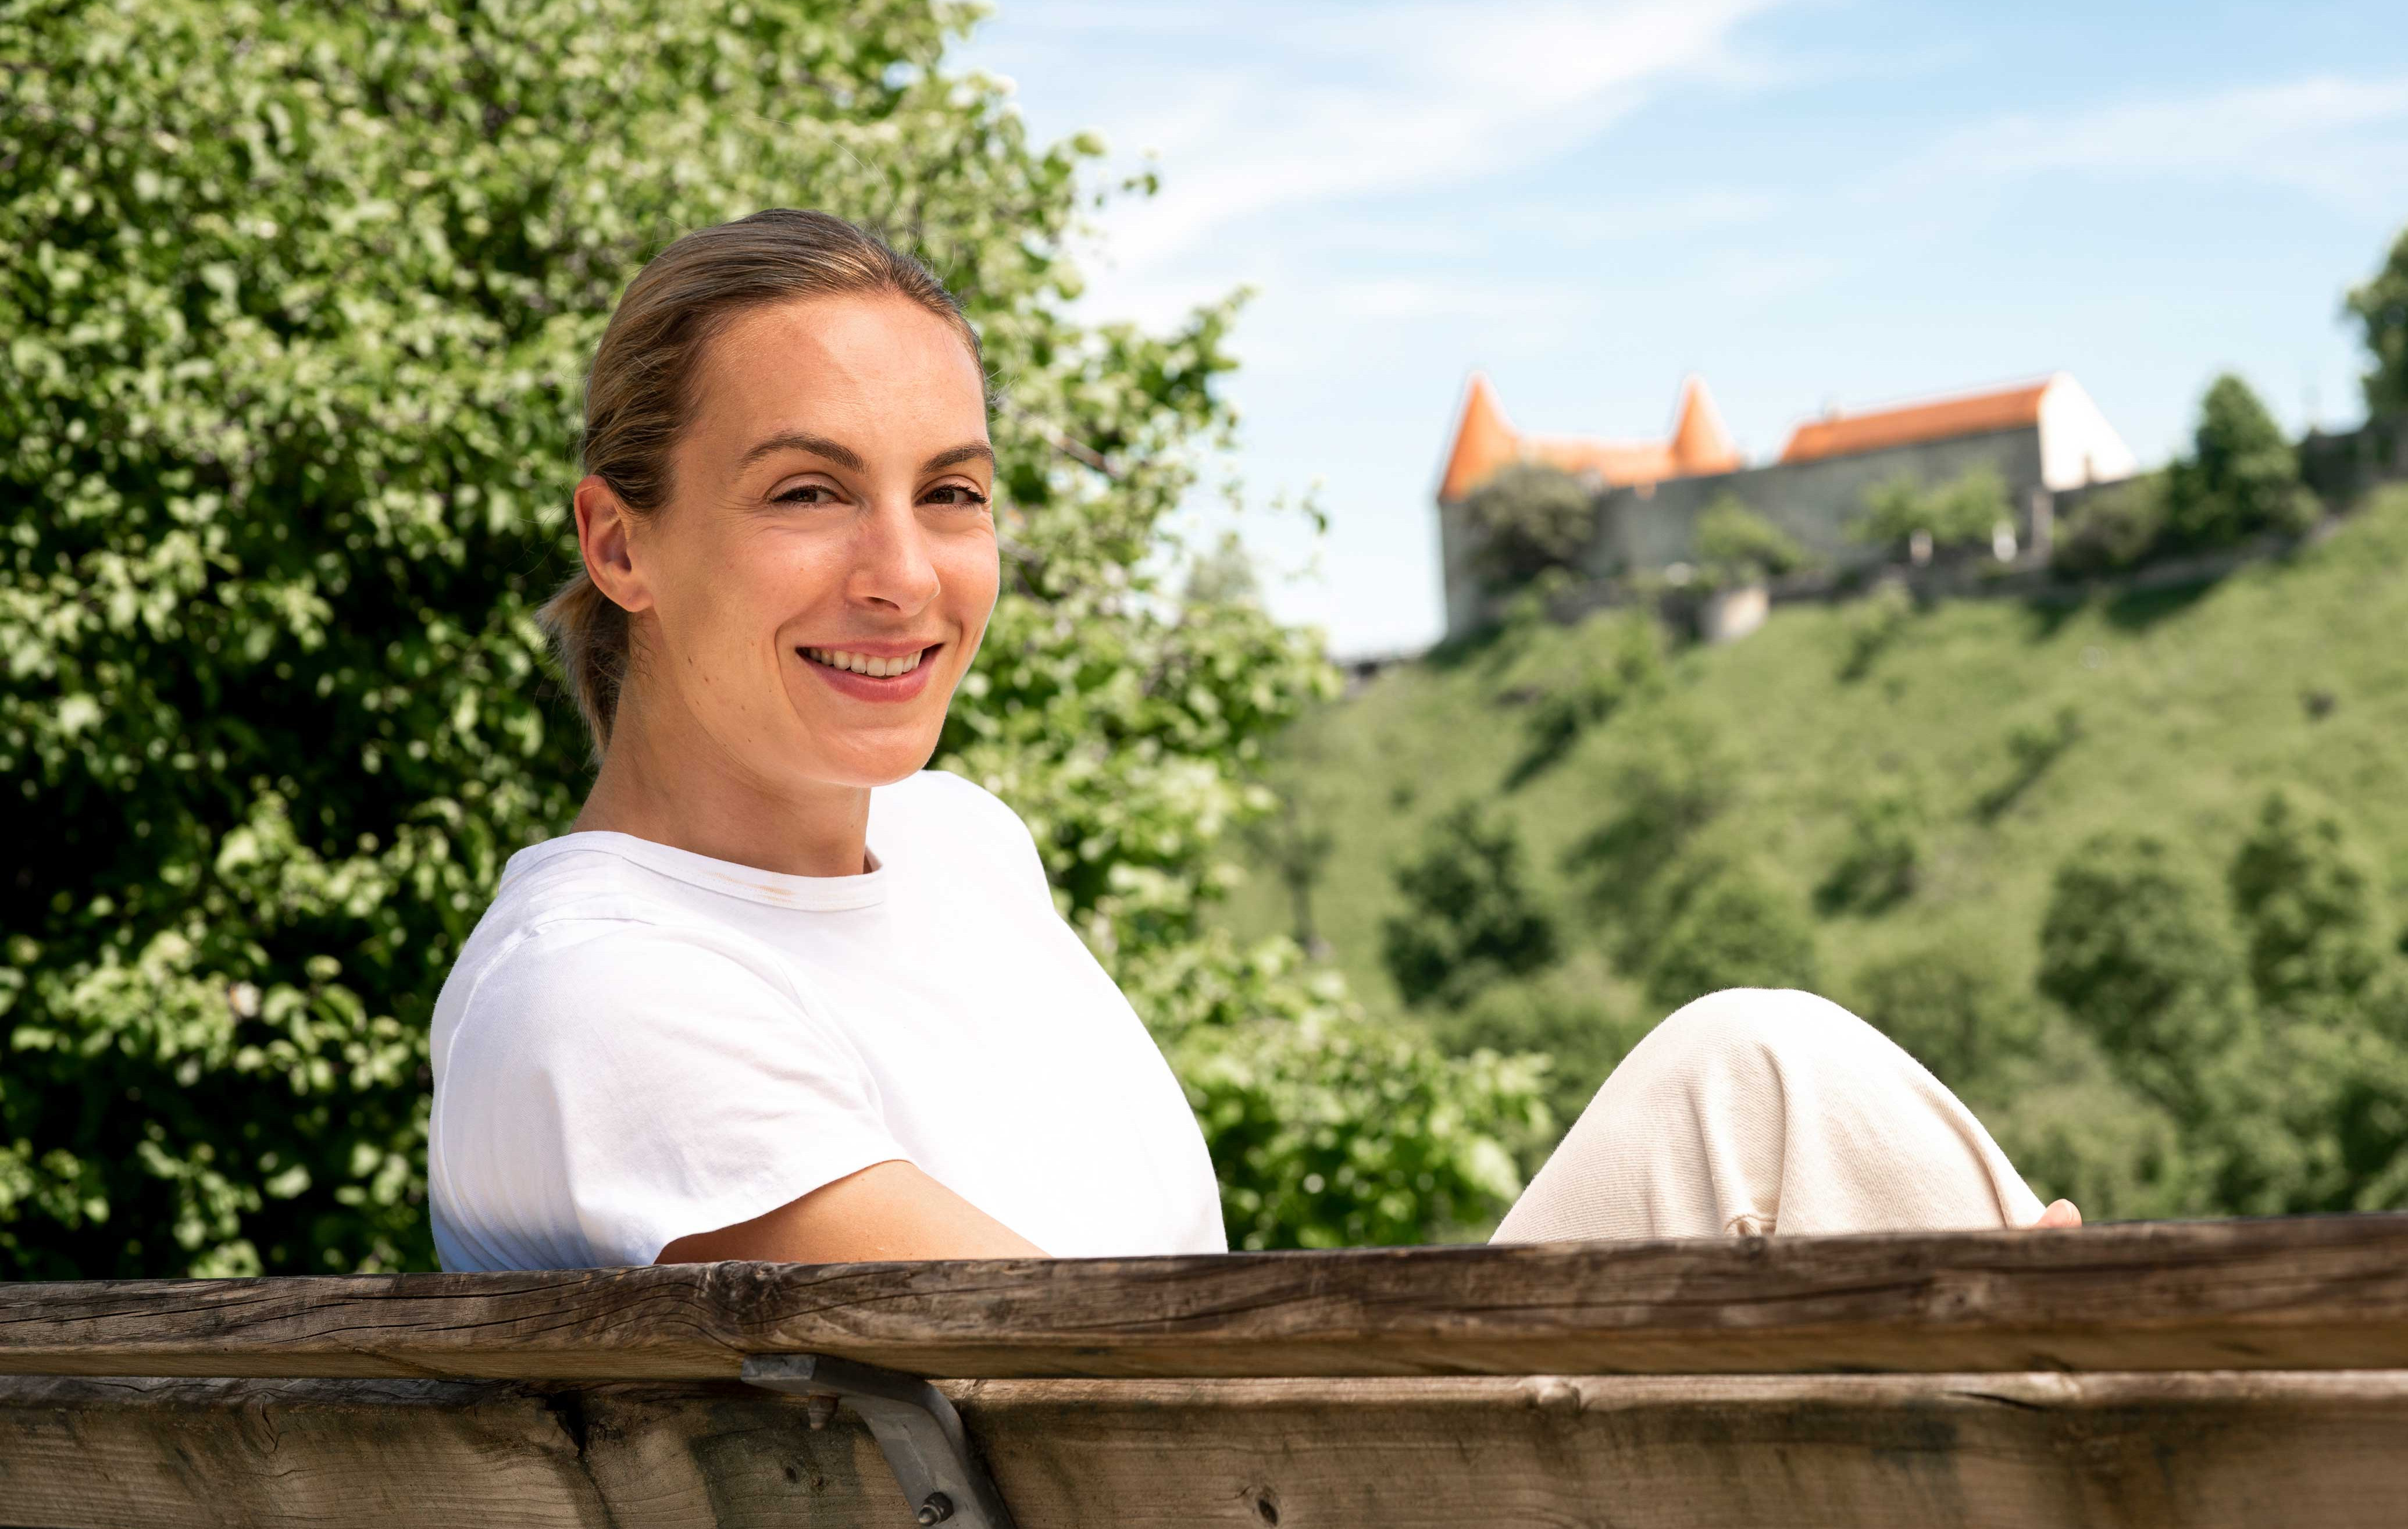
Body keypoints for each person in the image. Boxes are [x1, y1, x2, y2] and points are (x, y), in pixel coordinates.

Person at [426, 210, 2081, 1270]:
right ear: (620, 541)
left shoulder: (956, 844)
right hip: (1212, 1476)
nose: (905, 572)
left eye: (954, 492)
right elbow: (1073, 1414)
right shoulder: (605, 991)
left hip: (1245, 1457)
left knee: (1758, 1077)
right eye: (807, 491)